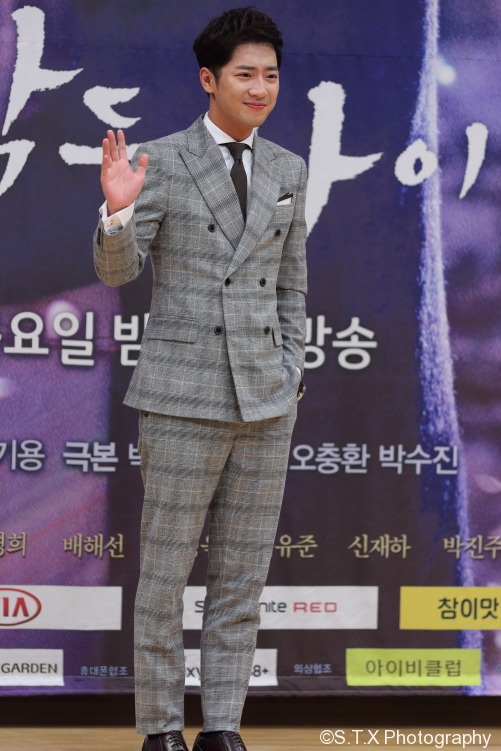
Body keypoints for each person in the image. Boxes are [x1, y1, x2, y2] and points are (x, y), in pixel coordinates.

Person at [94, 7, 307, 751]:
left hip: (266, 399)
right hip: (182, 396)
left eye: (270, 75)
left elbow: (291, 284)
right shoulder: (160, 159)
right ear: (208, 79)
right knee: (164, 576)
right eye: (245, 74)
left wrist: (290, 367)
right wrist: (117, 213)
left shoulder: (287, 168)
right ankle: (160, 728)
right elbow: (117, 273)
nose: (260, 88)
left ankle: (222, 726)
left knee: (241, 579)